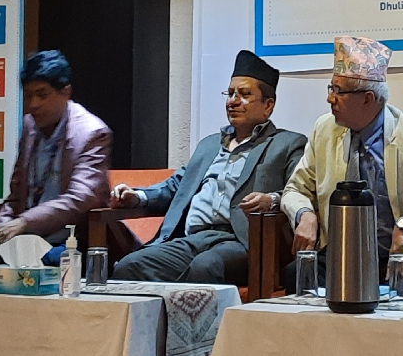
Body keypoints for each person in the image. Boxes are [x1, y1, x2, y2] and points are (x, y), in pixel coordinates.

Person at [280, 36, 403, 292]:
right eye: (330, 88)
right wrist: (305, 214)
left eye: (339, 91)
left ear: (368, 99)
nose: (330, 99)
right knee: (295, 274)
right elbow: (295, 189)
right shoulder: (324, 130)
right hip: (340, 257)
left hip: (398, 257)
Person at [111, 50, 306, 284]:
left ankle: (183, 307)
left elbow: (300, 192)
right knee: (129, 266)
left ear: (268, 105)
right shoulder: (209, 145)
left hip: (239, 242)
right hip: (191, 239)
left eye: (244, 95)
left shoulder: (287, 144)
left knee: (205, 267)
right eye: (230, 93)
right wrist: (138, 196)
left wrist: (272, 200)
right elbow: (176, 186)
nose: (233, 101)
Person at [0, 50, 112, 265]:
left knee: (40, 264)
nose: (33, 104)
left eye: (42, 94)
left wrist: (25, 222)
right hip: (25, 238)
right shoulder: (29, 125)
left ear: (66, 92)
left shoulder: (92, 133)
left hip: (69, 240)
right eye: (28, 95)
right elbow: (16, 193)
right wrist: (1, 229)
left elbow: (80, 199)